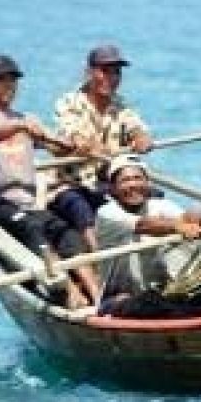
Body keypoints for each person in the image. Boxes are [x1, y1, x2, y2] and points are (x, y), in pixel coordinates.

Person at [0, 54, 100, 309]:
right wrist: (21, 126)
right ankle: (71, 293)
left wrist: (75, 147)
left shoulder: (26, 118)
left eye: (12, 79)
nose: (8, 85)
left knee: (67, 234)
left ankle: (97, 297)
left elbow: (56, 148)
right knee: (31, 229)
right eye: (1, 79)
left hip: (30, 204)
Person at [47, 43, 154, 253]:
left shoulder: (121, 105)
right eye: (104, 71)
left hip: (107, 185)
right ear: (89, 72)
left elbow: (136, 127)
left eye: (116, 72)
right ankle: (100, 259)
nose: (111, 78)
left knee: (153, 196)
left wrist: (141, 138)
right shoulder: (69, 103)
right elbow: (73, 135)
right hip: (72, 183)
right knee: (80, 207)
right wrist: (88, 146)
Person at [95, 154, 201, 311]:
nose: (133, 185)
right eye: (125, 181)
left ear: (147, 183)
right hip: (119, 296)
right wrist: (179, 227)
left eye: (138, 178)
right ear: (113, 188)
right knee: (130, 302)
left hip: (159, 290)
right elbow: (144, 225)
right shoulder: (107, 212)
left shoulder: (160, 205)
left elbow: (187, 215)